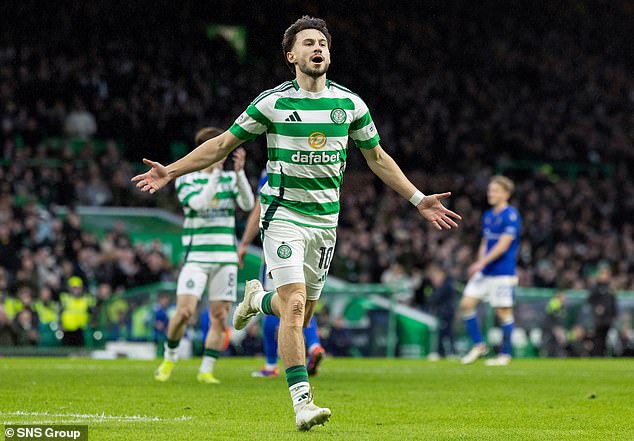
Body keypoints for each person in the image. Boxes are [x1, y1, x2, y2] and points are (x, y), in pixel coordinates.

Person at [133, 16, 460, 431]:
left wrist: (417, 198)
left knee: (300, 316)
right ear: (292, 56)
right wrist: (171, 172)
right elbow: (221, 145)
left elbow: (377, 158)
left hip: (326, 223)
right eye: (308, 43)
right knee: (294, 305)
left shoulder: (350, 105)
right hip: (282, 215)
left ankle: (256, 301)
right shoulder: (272, 103)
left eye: (322, 42)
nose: (317, 47)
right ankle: (302, 403)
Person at [154, 127, 255, 384]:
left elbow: (247, 205)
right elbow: (198, 204)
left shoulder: (230, 179)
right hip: (196, 258)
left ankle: (206, 369)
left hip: (225, 258)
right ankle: (170, 357)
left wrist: (240, 174)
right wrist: (215, 175)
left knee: (220, 316)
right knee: (184, 312)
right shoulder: (187, 179)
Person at [237, 170, 325, 379]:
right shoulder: (313, 163)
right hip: (314, 238)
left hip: (282, 241)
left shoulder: (274, 167)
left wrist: (244, 243)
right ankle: (313, 345)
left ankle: (270, 364)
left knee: (281, 298)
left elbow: (259, 209)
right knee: (299, 299)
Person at [459, 176, 520, 366]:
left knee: (503, 312)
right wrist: (480, 263)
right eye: (490, 190)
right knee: (466, 303)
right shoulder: (488, 216)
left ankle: (505, 354)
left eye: (495, 191)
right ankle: (479, 345)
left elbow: (503, 244)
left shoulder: (511, 215)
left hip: (503, 272)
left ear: (506, 194)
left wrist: (482, 262)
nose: (490, 194)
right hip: (486, 271)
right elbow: (486, 242)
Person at [425, 262, 457, 358]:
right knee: (443, 333)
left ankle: (450, 352)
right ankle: (442, 352)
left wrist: (431, 297)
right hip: (444, 312)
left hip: (447, 312)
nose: (434, 279)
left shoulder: (447, 285)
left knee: (446, 333)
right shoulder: (444, 284)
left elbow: (435, 298)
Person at [587, 265, 618, 357]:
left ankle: (603, 355)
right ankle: (597, 355)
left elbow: (613, 303)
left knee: (605, 338)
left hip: (608, 318)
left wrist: (615, 315)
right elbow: (590, 300)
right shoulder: (596, 288)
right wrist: (597, 307)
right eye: (603, 274)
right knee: (598, 338)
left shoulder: (610, 288)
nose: (605, 276)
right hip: (598, 319)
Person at [541, 290, 567, 357]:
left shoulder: (561, 306)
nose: (565, 299)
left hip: (554, 329)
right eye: (563, 297)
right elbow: (549, 319)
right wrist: (556, 329)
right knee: (550, 346)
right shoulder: (553, 304)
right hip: (549, 330)